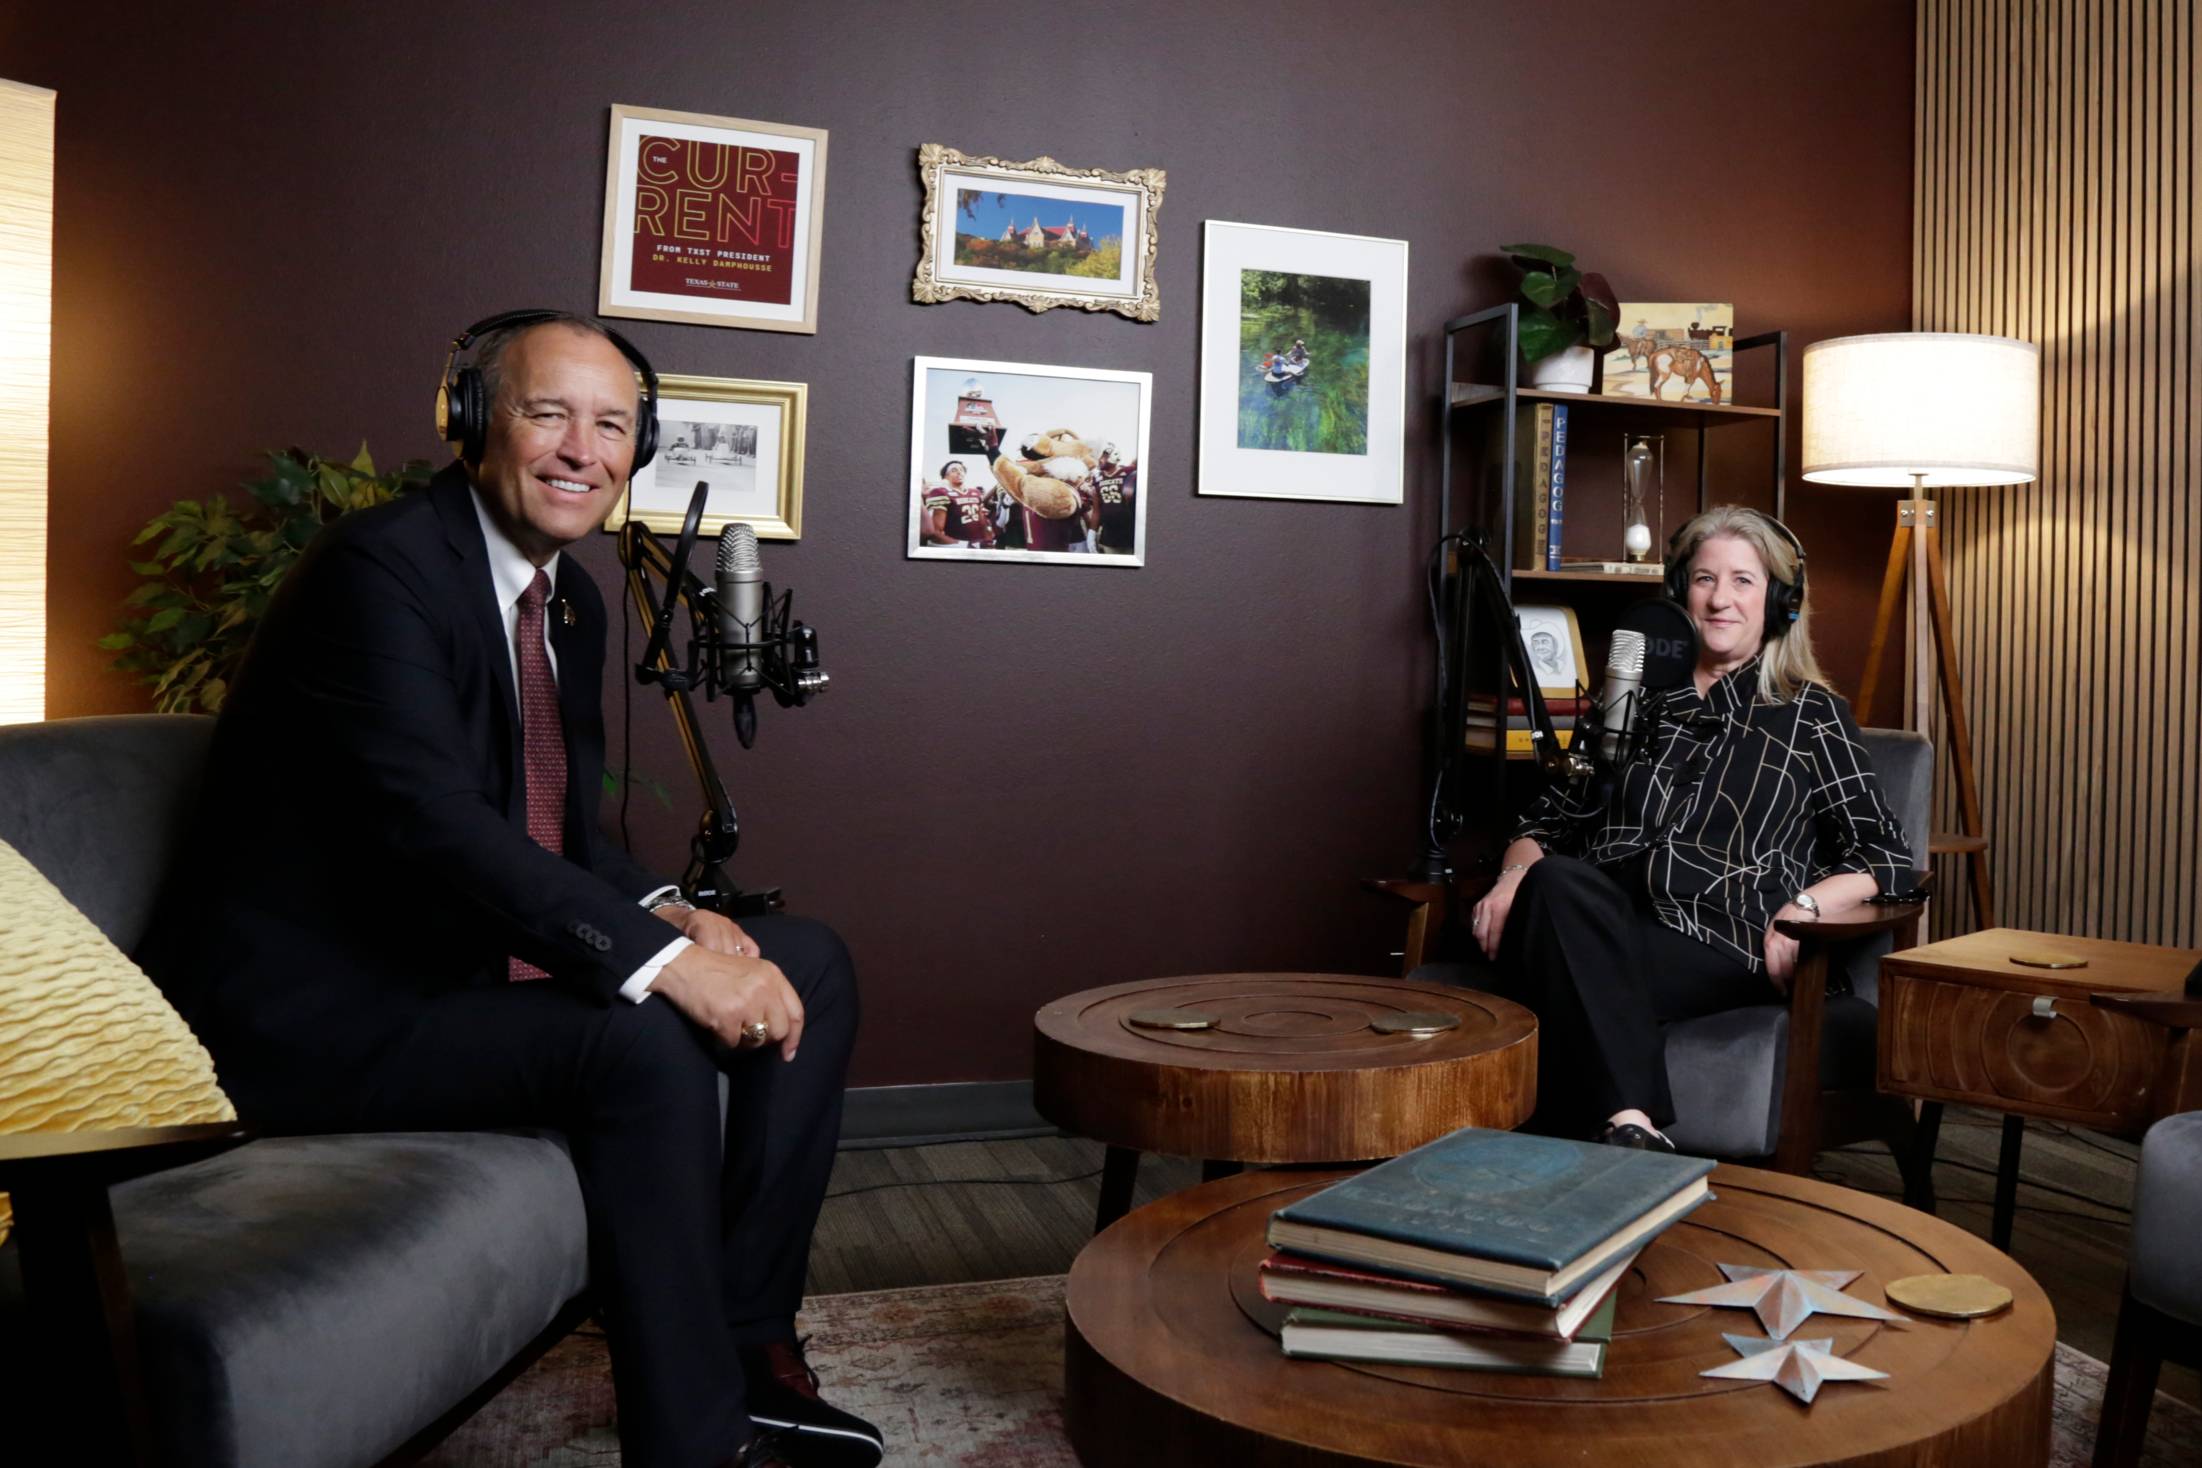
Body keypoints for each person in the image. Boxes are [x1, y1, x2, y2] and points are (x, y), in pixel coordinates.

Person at [141, 311, 882, 1468]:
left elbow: (562, 825)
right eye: (549, 414)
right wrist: (665, 967)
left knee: (810, 962)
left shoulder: (568, 602)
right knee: (642, 1035)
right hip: (315, 1015)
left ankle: (750, 1347)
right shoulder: (377, 570)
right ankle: (695, 1446)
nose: (583, 450)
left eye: (613, 425)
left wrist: (673, 913)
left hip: (455, 974)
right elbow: (434, 824)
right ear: (475, 421)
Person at [1466, 505, 1911, 1153]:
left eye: (1743, 581)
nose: (1720, 599)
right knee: (1555, 880)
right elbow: (1547, 819)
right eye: (1705, 579)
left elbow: (1886, 853)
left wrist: (1807, 905)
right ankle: (1632, 1127)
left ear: (1779, 602)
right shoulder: (1631, 700)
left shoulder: (1812, 715)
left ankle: (1588, 1139)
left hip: (1721, 937)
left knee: (1557, 951)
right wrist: (1514, 875)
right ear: (1681, 594)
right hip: (1605, 920)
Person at [919, 459, 994, 547]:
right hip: (958, 544)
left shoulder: (975, 492)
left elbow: (982, 520)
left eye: (961, 470)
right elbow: (936, 532)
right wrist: (962, 545)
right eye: (954, 470)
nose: (959, 472)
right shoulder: (940, 493)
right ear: (945, 477)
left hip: (978, 543)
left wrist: (988, 538)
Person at [1092, 442, 1137, 555]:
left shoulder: (1129, 472)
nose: (1100, 460)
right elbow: (1096, 509)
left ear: (1114, 455)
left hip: (1130, 533)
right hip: (1109, 535)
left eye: (1103, 456)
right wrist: (1092, 533)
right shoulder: (1097, 477)